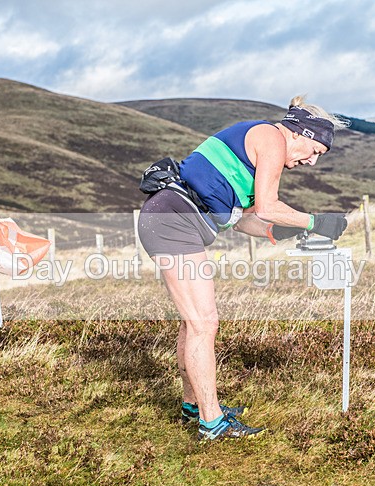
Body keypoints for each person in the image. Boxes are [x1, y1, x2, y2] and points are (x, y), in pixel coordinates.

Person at [137, 95, 349, 441]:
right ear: (300, 133)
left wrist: (284, 230)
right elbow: (268, 205)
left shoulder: (257, 147)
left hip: (171, 217)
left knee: (193, 323)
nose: (311, 161)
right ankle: (212, 423)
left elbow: (244, 220)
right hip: (172, 221)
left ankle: (194, 407)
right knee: (204, 324)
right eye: (314, 151)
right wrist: (316, 221)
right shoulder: (271, 138)